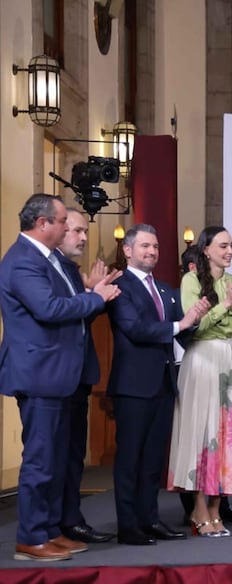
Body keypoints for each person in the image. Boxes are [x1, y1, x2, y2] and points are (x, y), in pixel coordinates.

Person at [0, 194, 119, 561]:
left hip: (58, 375)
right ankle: (31, 537)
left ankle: (50, 530)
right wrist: (96, 297)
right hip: (40, 375)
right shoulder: (23, 260)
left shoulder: (49, 260)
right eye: (63, 221)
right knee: (40, 460)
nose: (69, 227)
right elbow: (49, 309)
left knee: (55, 460)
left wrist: (90, 295)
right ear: (43, 223)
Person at [107, 224, 209, 545]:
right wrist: (181, 323)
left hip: (164, 384)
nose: (152, 251)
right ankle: (128, 526)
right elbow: (135, 328)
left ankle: (150, 519)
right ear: (128, 251)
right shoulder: (119, 286)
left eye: (156, 246)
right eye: (145, 246)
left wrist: (199, 318)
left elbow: (182, 331)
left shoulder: (165, 289)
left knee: (153, 460)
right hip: (133, 386)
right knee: (130, 460)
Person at [167, 226, 232, 537]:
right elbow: (197, 326)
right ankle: (198, 508)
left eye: (231, 245)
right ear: (206, 249)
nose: (229, 251)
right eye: (223, 246)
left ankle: (217, 508)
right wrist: (226, 304)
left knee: (227, 432)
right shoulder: (191, 280)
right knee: (201, 431)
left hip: (229, 357)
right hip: (202, 358)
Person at [57, 208, 115, 544]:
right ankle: (52, 525)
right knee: (55, 456)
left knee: (73, 454)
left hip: (77, 375)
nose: (83, 237)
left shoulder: (70, 270)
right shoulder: (50, 268)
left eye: (85, 232)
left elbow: (78, 320)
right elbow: (57, 314)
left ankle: (70, 519)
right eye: (76, 231)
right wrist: (92, 296)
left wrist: (93, 295)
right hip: (55, 375)